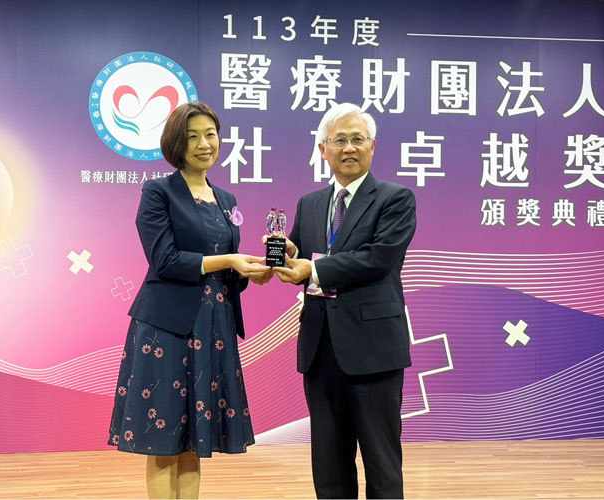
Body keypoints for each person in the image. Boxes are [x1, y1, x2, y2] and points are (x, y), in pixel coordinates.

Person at [108, 102, 272, 499]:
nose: (204, 144)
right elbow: (164, 260)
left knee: (194, 441)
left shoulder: (226, 198)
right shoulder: (158, 191)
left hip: (213, 326)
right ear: (176, 143)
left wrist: (250, 271)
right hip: (167, 328)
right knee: (163, 440)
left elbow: (223, 271)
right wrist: (228, 260)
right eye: (194, 136)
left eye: (211, 135)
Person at [273, 103, 417, 499]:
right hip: (321, 349)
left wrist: (312, 270)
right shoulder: (311, 203)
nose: (349, 148)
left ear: (372, 147)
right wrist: (286, 255)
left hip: (374, 351)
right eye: (340, 140)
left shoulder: (395, 199)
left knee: (381, 462)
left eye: (358, 139)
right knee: (329, 463)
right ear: (323, 149)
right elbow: (304, 256)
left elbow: (379, 258)